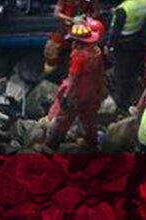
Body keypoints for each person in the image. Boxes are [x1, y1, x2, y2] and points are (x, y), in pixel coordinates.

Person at [44, 18, 108, 151]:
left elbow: (73, 79)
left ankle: (50, 146)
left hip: (77, 95)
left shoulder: (78, 57)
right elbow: (100, 73)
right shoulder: (96, 52)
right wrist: (101, 90)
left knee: (63, 121)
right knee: (89, 121)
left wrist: (66, 97)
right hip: (92, 94)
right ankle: (92, 146)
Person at [44, 0, 101, 75]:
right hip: (67, 27)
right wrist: (72, 19)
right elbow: (57, 13)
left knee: (85, 51)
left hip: (84, 29)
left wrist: (87, 18)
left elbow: (97, 11)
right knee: (51, 47)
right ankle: (50, 71)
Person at [107, 0, 146, 108]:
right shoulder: (144, 1)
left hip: (122, 46)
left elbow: (115, 31)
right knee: (133, 71)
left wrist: (109, 46)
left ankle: (121, 104)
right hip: (137, 41)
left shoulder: (123, 9)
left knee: (122, 75)